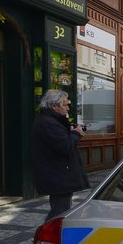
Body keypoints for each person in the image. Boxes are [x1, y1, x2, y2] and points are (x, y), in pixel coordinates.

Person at [31, 89, 89, 221]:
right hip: (58, 175)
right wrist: (76, 133)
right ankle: (48, 237)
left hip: (59, 174)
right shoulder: (48, 123)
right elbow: (65, 146)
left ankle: (53, 236)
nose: (68, 107)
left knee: (62, 209)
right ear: (54, 106)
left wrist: (70, 132)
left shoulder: (50, 121)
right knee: (59, 212)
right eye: (65, 104)